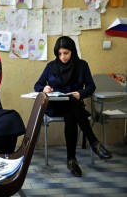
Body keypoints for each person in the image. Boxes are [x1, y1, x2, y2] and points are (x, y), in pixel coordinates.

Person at [34, 36, 112, 177]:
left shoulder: (82, 65)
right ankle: (94, 143)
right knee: (72, 107)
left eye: (66, 53)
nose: (63, 57)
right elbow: (37, 85)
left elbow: (91, 86)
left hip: (74, 106)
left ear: (73, 51)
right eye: (60, 53)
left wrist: (79, 93)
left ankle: (72, 160)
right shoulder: (51, 66)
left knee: (71, 112)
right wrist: (44, 88)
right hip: (55, 106)